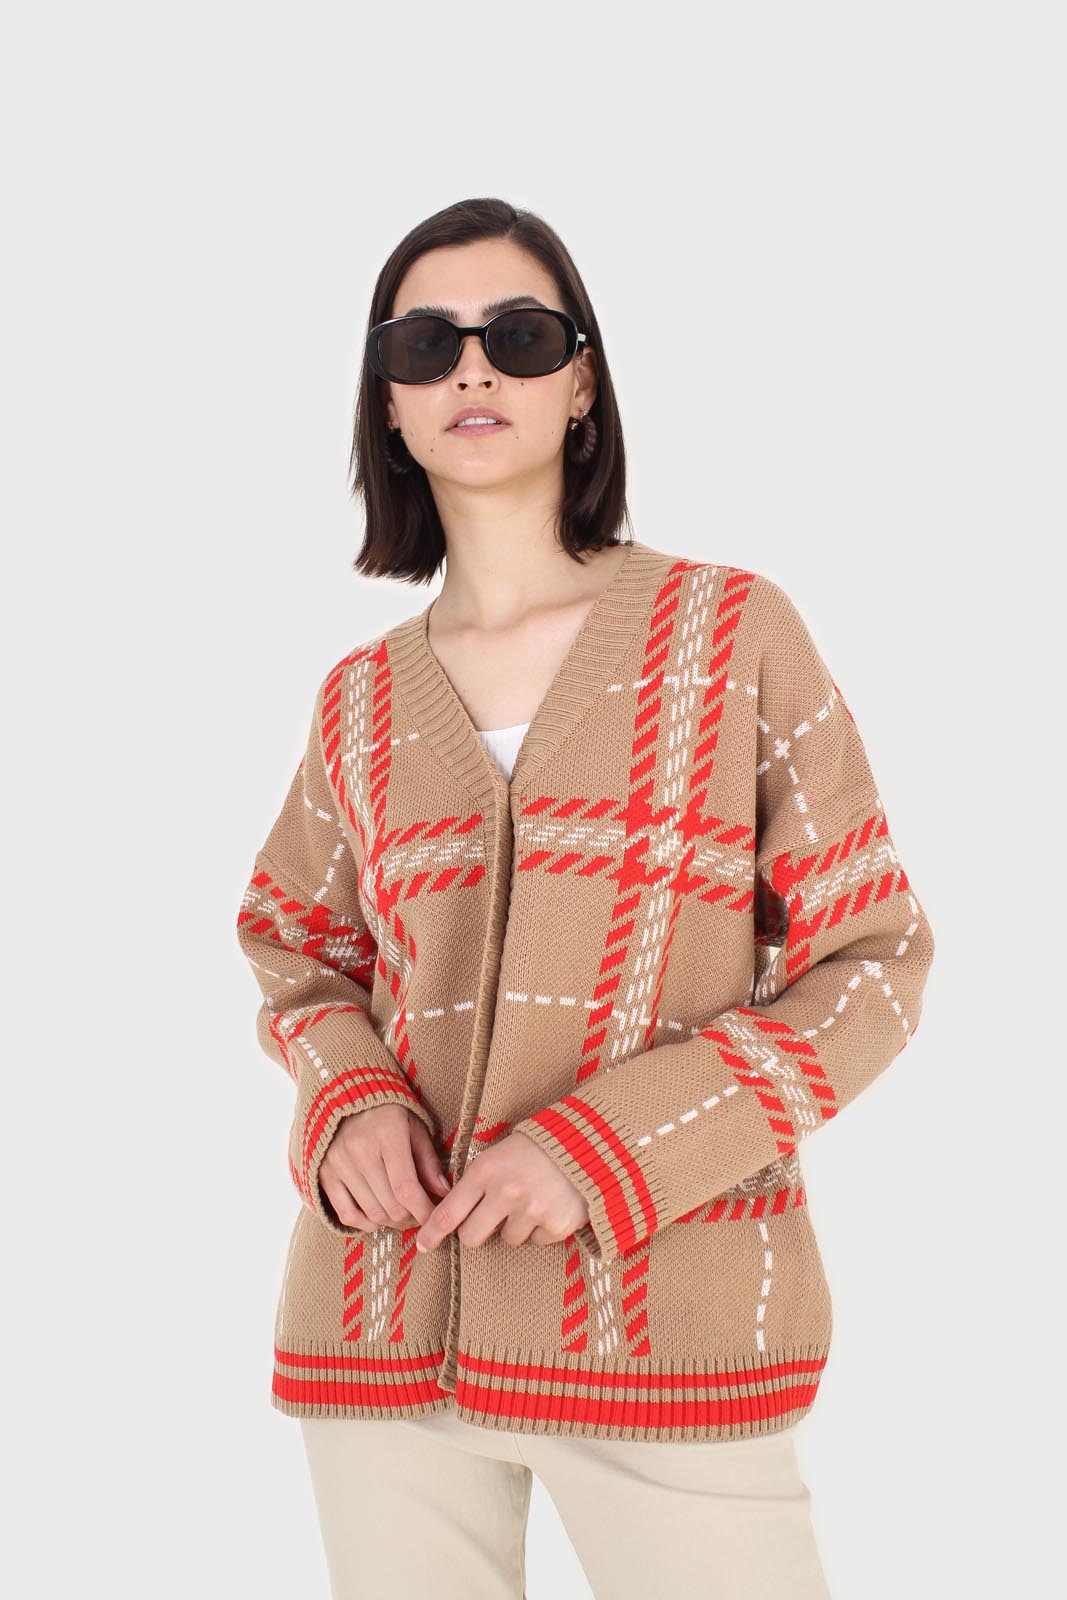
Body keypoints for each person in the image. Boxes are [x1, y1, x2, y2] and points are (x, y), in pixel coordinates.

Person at [237, 197, 935, 1599]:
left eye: (519, 335)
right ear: (389, 405)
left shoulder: (732, 635)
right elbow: (295, 948)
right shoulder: (361, 698)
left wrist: (604, 1153)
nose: (472, 368)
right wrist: (349, 1102)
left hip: (663, 1328)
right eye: (426, 343)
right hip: (382, 1328)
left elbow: (872, 963)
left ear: (580, 383)